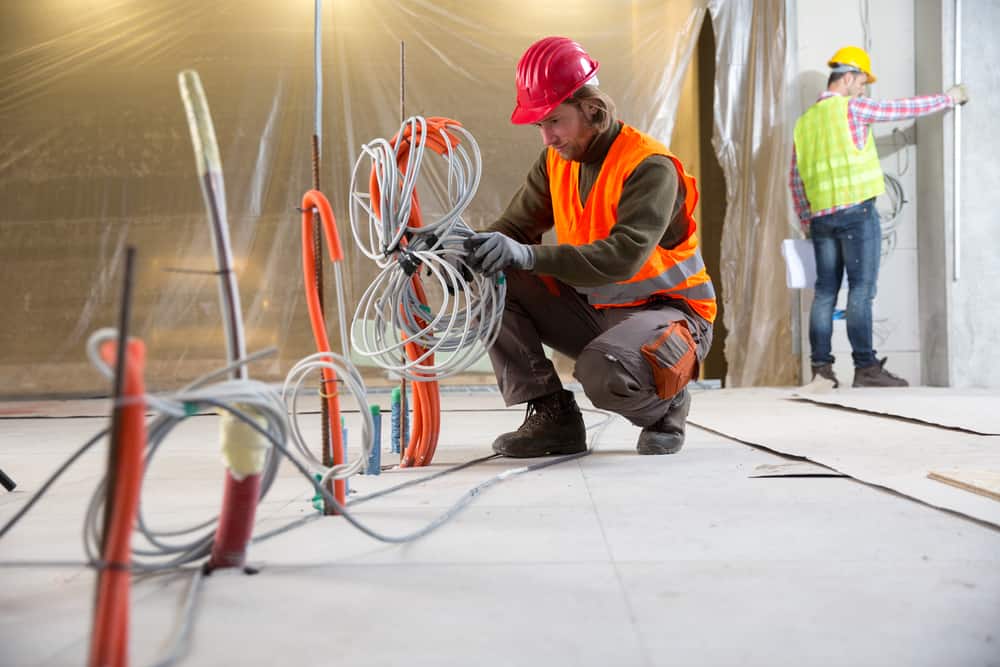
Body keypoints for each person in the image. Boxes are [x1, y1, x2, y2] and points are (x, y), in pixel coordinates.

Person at [464, 36, 716, 458]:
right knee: (494, 281)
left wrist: (524, 254)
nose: (546, 137)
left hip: (670, 314)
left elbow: (622, 257)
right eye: (539, 125)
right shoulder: (555, 162)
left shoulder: (648, 166)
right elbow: (514, 229)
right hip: (599, 310)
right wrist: (460, 253)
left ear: (592, 110)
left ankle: (666, 405)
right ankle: (553, 417)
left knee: (602, 373)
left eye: (554, 121)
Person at [790, 46, 968, 388]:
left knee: (825, 292)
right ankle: (866, 369)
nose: (863, 89)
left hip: (821, 218)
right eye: (861, 82)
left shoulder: (805, 122)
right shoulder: (852, 107)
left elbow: (794, 177)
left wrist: (805, 218)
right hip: (856, 211)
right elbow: (901, 108)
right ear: (847, 77)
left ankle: (821, 372)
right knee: (861, 290)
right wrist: (948, 99)